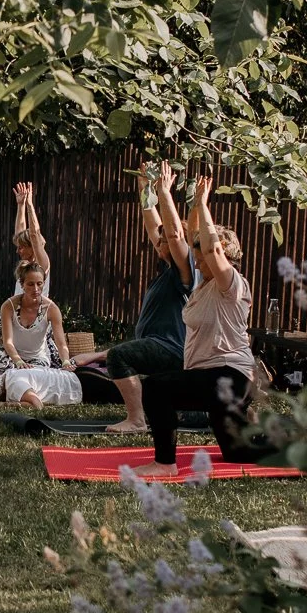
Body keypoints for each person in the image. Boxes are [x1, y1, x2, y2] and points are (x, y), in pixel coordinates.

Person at [131, 175, 276, 477]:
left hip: (227, 375)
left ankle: (165, 464)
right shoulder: (203, 286)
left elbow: (212, 249)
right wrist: (166, 196)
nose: (195, 263)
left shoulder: (231, 284)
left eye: (200, 258)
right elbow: (189, 238)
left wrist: (202, 204)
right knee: (238, 452)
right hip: (214, 377)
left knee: (157, 387)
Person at [84, 160, 196, 432]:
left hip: (170, 348)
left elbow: (174, 232)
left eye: (164, 242)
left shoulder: (185, 267)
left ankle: (136, 420)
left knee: (119, 356)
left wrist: (165, 192)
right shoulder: (168, 268)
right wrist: (145, 189)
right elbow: (154, 228)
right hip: (161, 345)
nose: (158, 244)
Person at [0, 181, 56, 375]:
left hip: (36, 323)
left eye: (21, 247)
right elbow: (22, 232)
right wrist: (19, 206)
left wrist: (29, 205)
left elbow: (33, 234)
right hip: (18, 318)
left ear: (32, 247)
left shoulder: (42, 265)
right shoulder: (25, 265)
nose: (18, 250)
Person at [0, 261, 73, 374]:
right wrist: (18, 361)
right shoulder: (8, 306)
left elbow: (61, 343)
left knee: (31, 374)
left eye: (39, 284)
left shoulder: (51, 309)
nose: (36, 289)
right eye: (30, 284)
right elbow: (7, 341)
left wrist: (66, 362)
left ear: (44, 283)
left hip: (38, 359)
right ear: (22, 284)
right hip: (13, 356)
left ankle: (15, 376)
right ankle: (14, 374)